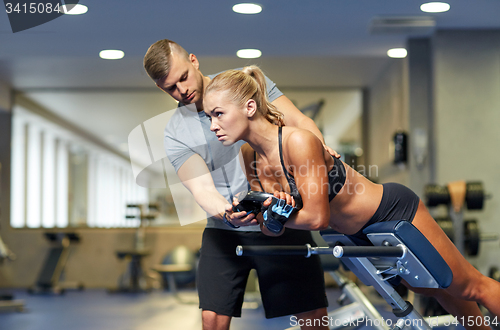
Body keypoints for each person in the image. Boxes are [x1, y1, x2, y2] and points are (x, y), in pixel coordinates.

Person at [203, 65, 500, 330]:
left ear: (250, 107)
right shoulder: (248, 154)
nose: (213, 125)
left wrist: (280, 213)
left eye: (219, 114)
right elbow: (271, 229)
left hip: (390, 213)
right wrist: (261, 216)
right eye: (209, 116)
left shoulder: (297, 141)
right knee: (435, 289)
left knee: (470, 286)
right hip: (356, 233)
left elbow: (319, 217)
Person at [143, 39, 337, 330]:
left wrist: (320, 149)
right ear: (161, 88)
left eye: (183, 77)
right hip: (225, 231)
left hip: (279, 217)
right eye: (171, 87)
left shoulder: (243, 84)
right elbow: (202, 189)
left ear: (194, 61)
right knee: (212, 319)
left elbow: (296, 119)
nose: (181, 90)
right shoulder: (175, 133)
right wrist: (226, 212)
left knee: (312, 318)